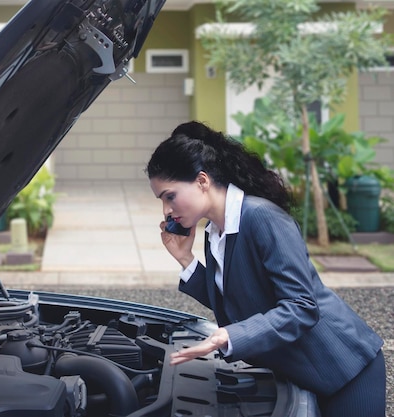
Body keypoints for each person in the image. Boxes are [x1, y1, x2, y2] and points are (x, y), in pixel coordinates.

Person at [145, 121, 385, 417]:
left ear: (202, 181)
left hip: (344, 368)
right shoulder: (214, 233)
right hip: (301, 372)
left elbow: (302, 306)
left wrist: (230, 336)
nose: (166, 211)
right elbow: (237, 300)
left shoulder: (261, 217)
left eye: (170, 196)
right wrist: (186, 259)